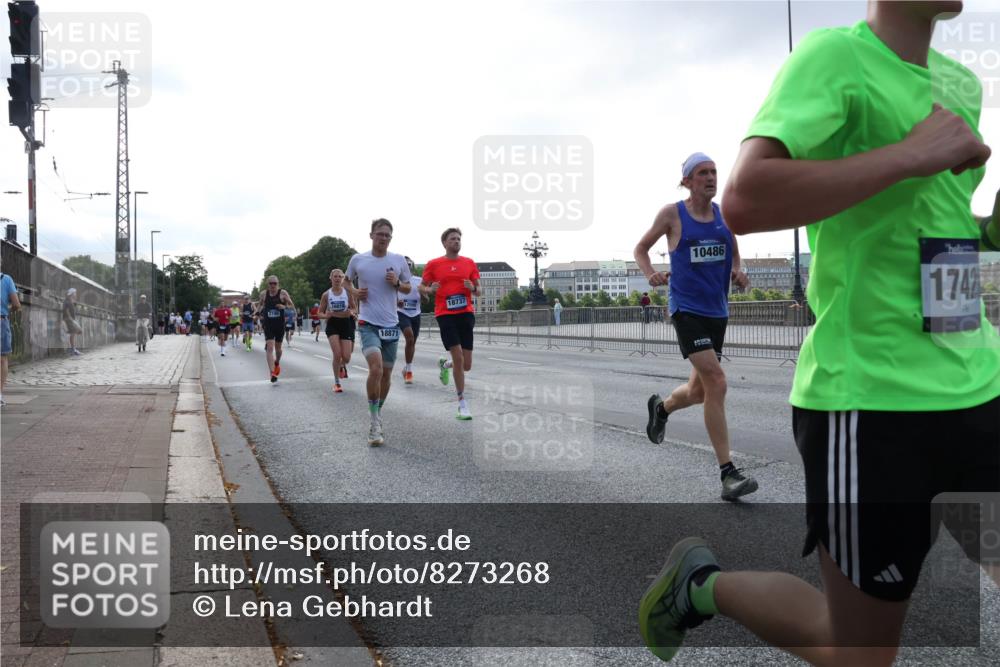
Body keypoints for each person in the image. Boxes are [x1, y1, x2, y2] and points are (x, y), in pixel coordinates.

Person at [639, 2, 1000, 665]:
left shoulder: (960, 85)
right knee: (856, 651)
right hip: (871, 402)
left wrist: (989, 219)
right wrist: (910, 152)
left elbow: (932, 219)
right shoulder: (835, 57)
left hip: (979, 382)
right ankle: (700, 587)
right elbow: (747, 199)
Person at [634, 152, 756, 502]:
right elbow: (641, 248)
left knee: (700, 392)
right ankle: (728, 474)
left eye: (714, 171)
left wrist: (738, 269)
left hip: (717, 311)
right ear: (687, 180)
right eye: (702, 172)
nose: (710, 177)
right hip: (686, 310)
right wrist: (649, 274)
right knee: (717, 381)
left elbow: (733, 249)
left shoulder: (723, 215)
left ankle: (661, 409)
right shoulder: (673, 214)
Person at [345, 218, 412, 445]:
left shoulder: (398, 260)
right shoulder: (358, 260)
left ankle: (377, 411)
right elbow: (346, 281)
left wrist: (396, 283)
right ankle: (374, 421)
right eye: (380, 234)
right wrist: (354, 291)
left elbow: (408, 287)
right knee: (375, 369)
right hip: (368, 323)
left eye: (387, 235)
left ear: (390, 238)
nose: (383, 238)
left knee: (386, 374)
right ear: (371, 235)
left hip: (391, 325)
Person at [420, 227, 479, 420]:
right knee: (459, 357)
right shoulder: (434, 264)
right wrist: (430, 290)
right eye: (453, 239)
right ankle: (462, 404)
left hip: (466, 313)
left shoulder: (469, 263)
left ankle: (446, 365)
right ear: (444, 243)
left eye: (459, 238)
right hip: (445, 314)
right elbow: (421, 287)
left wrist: (473, 288)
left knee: (466, 364)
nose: (457, 241)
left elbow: (479, 290)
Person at [318, 268, 357, 393]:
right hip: (333, 325)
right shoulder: (326, 295)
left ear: (343, 279)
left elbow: (355, 308)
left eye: (340, 276)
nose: (337, 279)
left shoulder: (347, 293)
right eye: (335, 276)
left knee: (347, 357)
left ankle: (341, 365)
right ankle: (337, 382)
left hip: (346, 324)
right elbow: (320, 313)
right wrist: (326, 315)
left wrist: (351, 312)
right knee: (337, 354)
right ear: (331, 278)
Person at [257, 275, 296, 382]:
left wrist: (284, 307)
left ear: (278, 284)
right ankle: (272, 373)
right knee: (270, 347)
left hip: (279, 324)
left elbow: (292, 306)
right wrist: (256, 312)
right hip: (268, 324)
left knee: (278, 349)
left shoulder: (283, 293)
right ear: (268, 284)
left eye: (275, 283)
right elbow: (260, 305)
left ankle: (277, 362)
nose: (273, 285)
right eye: (271, 283)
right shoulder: (264, 294)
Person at [397, 256, 423, 384]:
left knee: (412, 343)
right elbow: (389, 298)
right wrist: (397, 302)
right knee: (409, 337)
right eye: (405, 264)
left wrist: (423, 294)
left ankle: (407, 367)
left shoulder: (419, 281)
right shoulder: (397, 282)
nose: (407, 266)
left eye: (409, 264)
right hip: (402, 312)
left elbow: (426, 300)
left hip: (416, 314)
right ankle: (409, 372)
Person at [1, 271, 21, 406]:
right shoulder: (6, 279)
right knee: (2, 359)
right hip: (1, 321)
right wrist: (8, 310)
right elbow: (16, 304)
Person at [62, 288, 83, 355]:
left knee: (76, 332)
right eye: (75, 293)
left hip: (71, 320)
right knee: (73, 333)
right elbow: (66, 311)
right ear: (72, 294)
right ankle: (73, 349)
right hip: (69, 319)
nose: (76, 294)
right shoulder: (67, 301)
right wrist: (71, 320)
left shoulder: (70, 301)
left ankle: (72, 349)